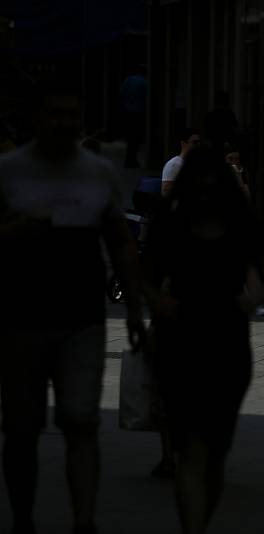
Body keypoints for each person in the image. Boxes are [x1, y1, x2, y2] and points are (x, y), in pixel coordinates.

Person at [0, 85, 145, 534]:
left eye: (72, 114)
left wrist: (136, 306)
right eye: (55, 113)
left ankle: (84, 521)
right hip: (21, 318)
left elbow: (119, 239)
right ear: (38, 119)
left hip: (82, 318)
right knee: (21, 428)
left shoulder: (98, 173)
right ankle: (23, 518)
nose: (64, 122)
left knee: (81, 420)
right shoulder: (10, 171)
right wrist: (19, 228)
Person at [142, 146, 264, 533]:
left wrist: (253, 299)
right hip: (180, 342)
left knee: (215, 453)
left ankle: (199, 520)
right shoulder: (171, 225)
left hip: (226, 343)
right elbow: (145, 278)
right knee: (190, 449)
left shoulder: (242, 226)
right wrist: (160, 301)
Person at [119, 64, 147, 168]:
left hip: (127, 112)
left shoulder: (128, 80)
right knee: (136, 138)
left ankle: (129, 159)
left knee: (130, 137)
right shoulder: (144, 82)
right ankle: (132, 159)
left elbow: (121, 94)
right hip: (139, 113)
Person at [161, 127, 201, 197]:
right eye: (195, 142)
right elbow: (165, 191)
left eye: (199, 142)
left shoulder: (196, 162)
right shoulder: (174, 164)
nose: (198, 145)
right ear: (183, 143)